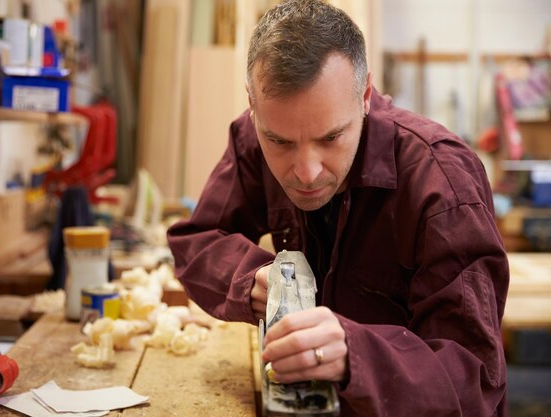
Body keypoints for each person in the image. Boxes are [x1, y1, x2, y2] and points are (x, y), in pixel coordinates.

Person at [167, 0, 509, 415]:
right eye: (281, 142)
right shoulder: (252, 137)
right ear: (253, 107)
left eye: (331, 138)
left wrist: (354, 355)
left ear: (364, 97)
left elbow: (472, 383)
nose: (307, 173)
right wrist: (252, 282)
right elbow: (196, 241)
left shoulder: (442, 185)